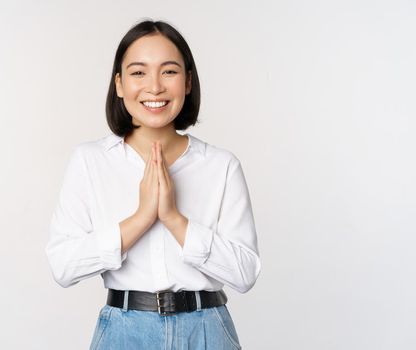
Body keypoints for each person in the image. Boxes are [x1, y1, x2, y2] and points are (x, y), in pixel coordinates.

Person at [45, 19, 261, 349]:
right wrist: (140, 219)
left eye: (169, 71)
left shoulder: (221, 166)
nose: (155, 86)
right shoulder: (90, 160)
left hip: (206, 330)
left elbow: (245, 273)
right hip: (123, 330)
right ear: (119, 84)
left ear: (188, 82)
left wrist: (175, 220)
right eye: (138, 72)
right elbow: (63, 266)